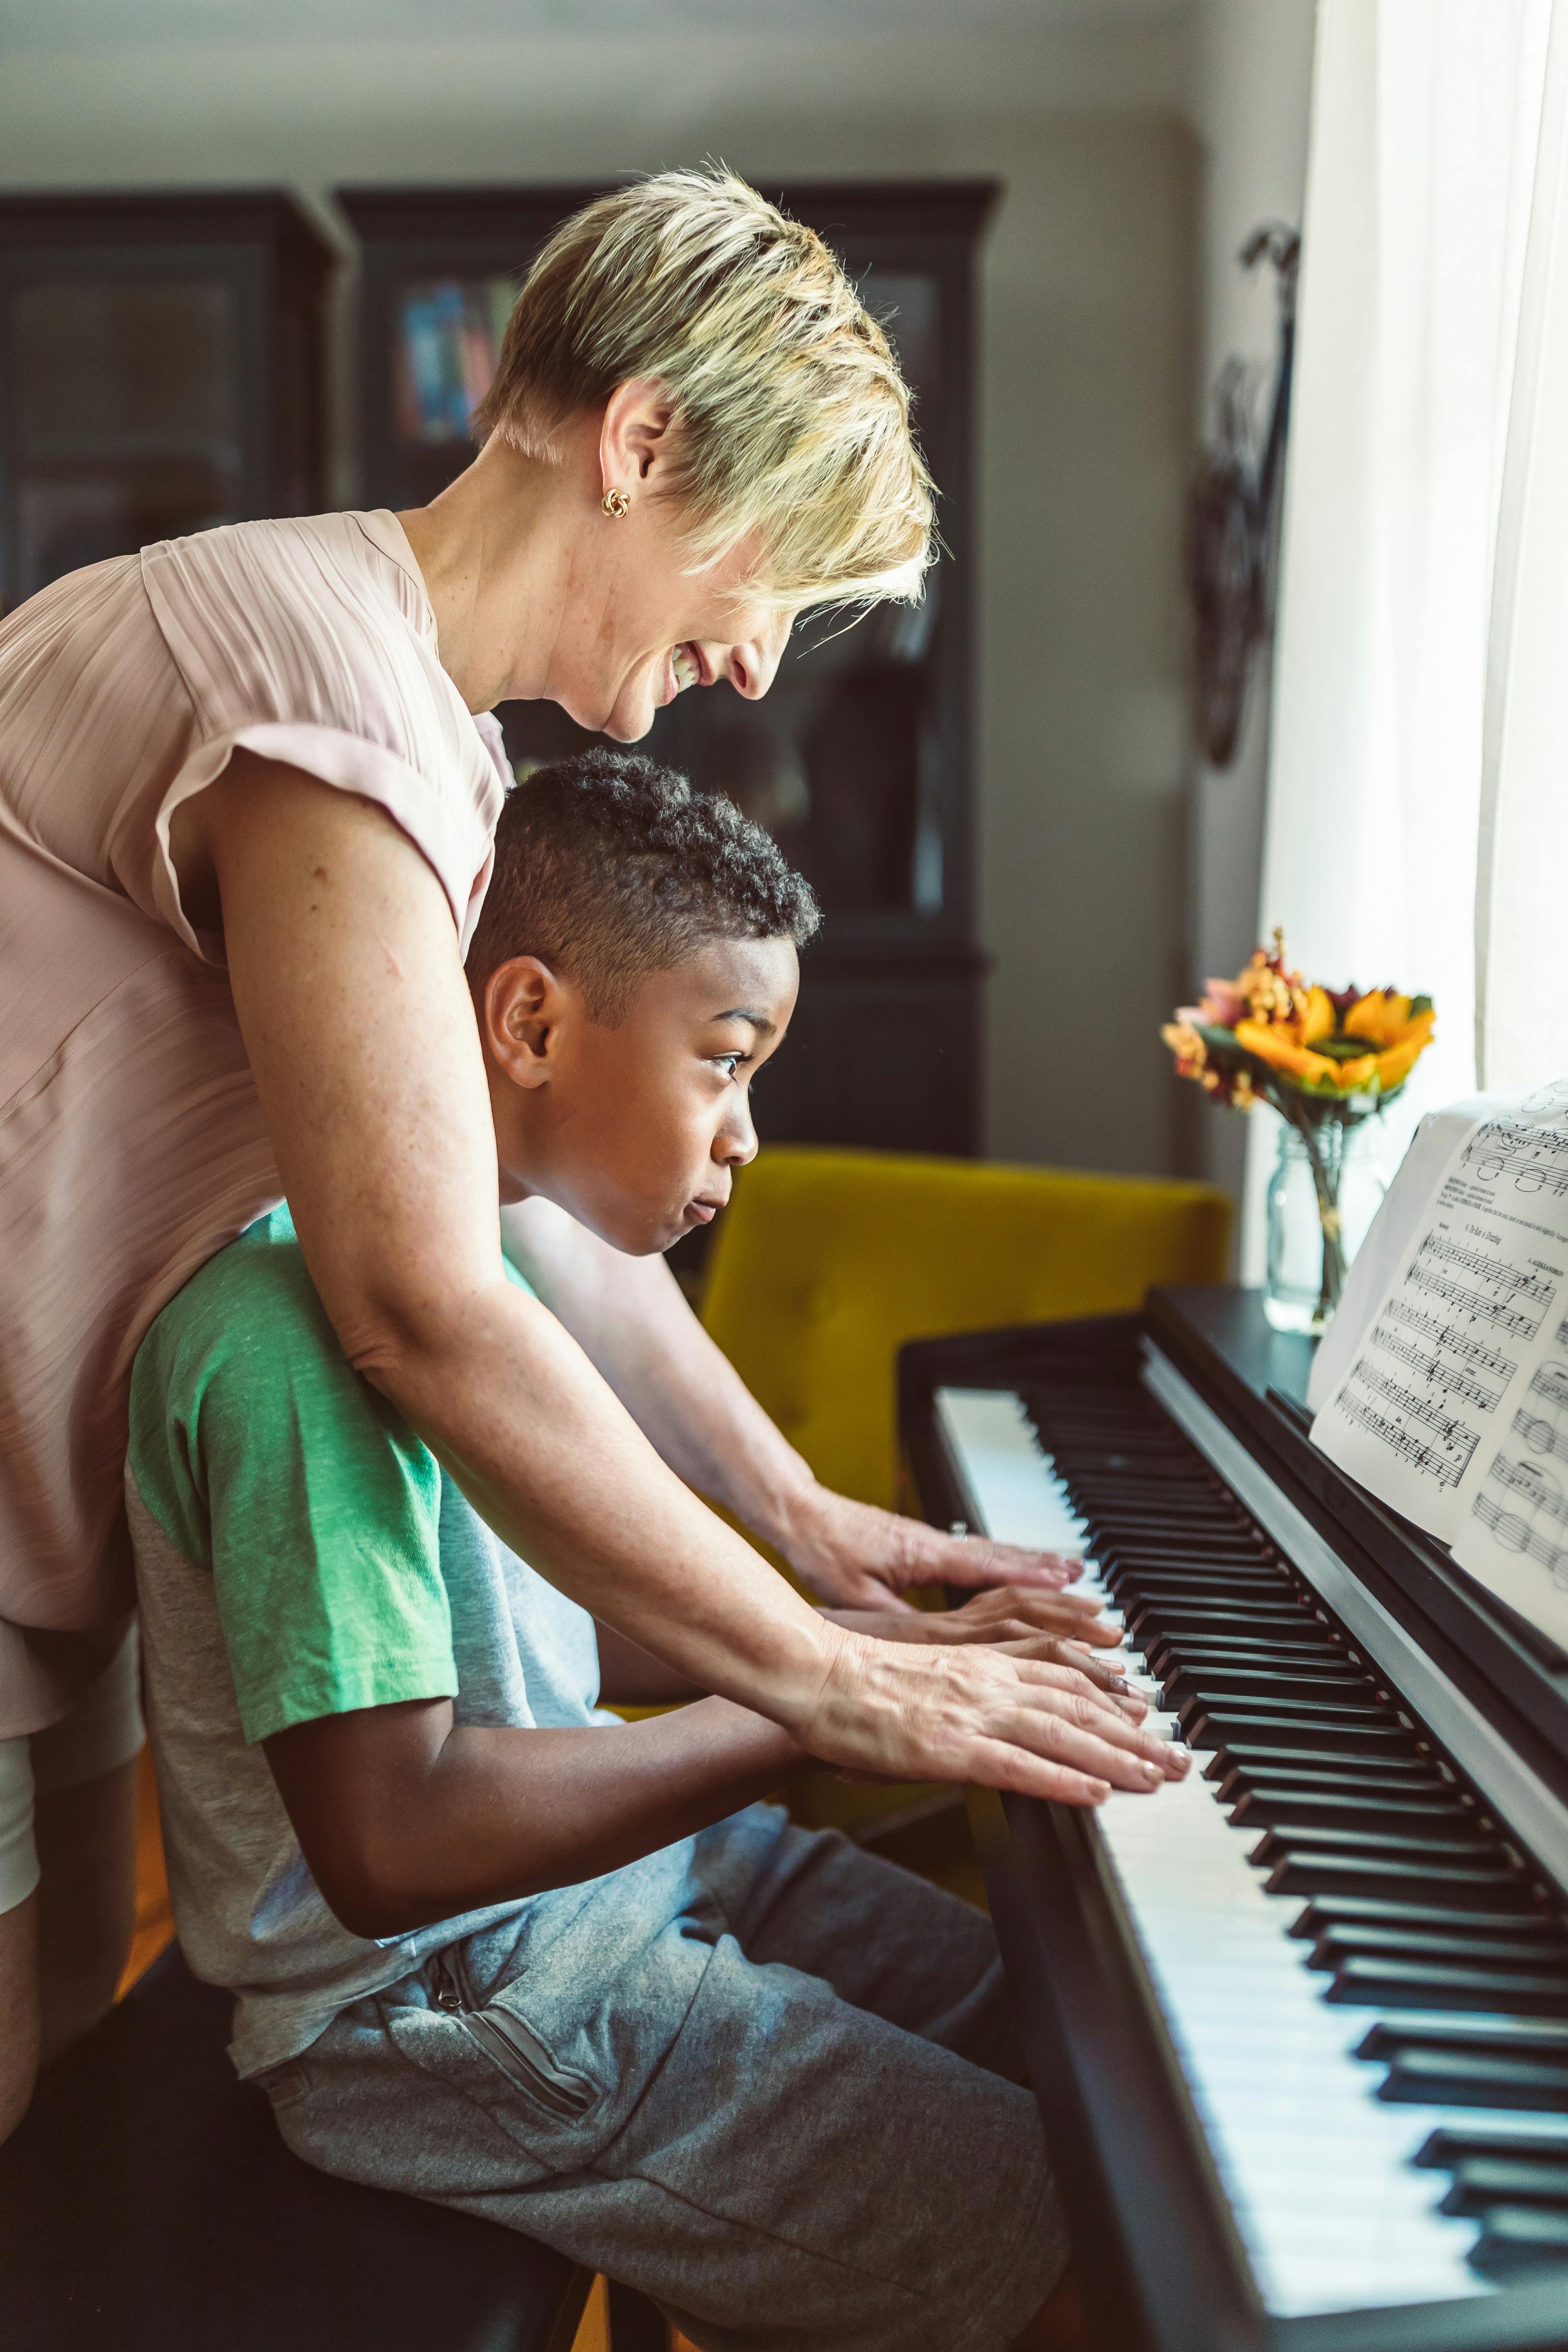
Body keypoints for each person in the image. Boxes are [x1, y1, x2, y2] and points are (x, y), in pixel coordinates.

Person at [0, 168, 1119, 2138]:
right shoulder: (321, 678)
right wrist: (827, 1686)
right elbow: (423, 1298)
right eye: (775, 565)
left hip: (37, 1456)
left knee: (65, 2020)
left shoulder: (434, 742)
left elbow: (530, 1234)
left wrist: (814, 1533)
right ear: (646, 440)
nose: (766, 661)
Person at [128, 753, 1182, 2351]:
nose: (748, 1137)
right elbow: (391, 1841)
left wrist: (876, 1647)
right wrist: (810, 1702)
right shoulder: (295, 1343)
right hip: (457, 2006)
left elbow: (540, 1645)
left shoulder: (490, 1277)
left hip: (611, 1881)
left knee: (1112, 2074)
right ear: (531, 1023)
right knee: (1106, 2261)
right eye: (726, 1059)